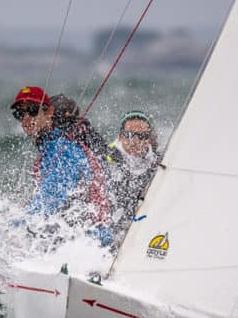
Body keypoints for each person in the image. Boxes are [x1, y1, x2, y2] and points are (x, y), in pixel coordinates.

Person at [10, 86, 112, 246]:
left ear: (49, 112)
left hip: (93, 241)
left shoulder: (62, 148)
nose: (26, 118)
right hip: (78, 235)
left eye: (33, 110)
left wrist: (14, 229)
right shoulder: (49, 146)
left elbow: (51, 197)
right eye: (20, 114)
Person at [106, 110, 158, 238]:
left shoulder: (158, 162)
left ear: (149, 139)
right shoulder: (106, 157)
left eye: (142, 136)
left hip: (141, 227)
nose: (135, 140)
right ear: (120, 136)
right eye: (129, 135)